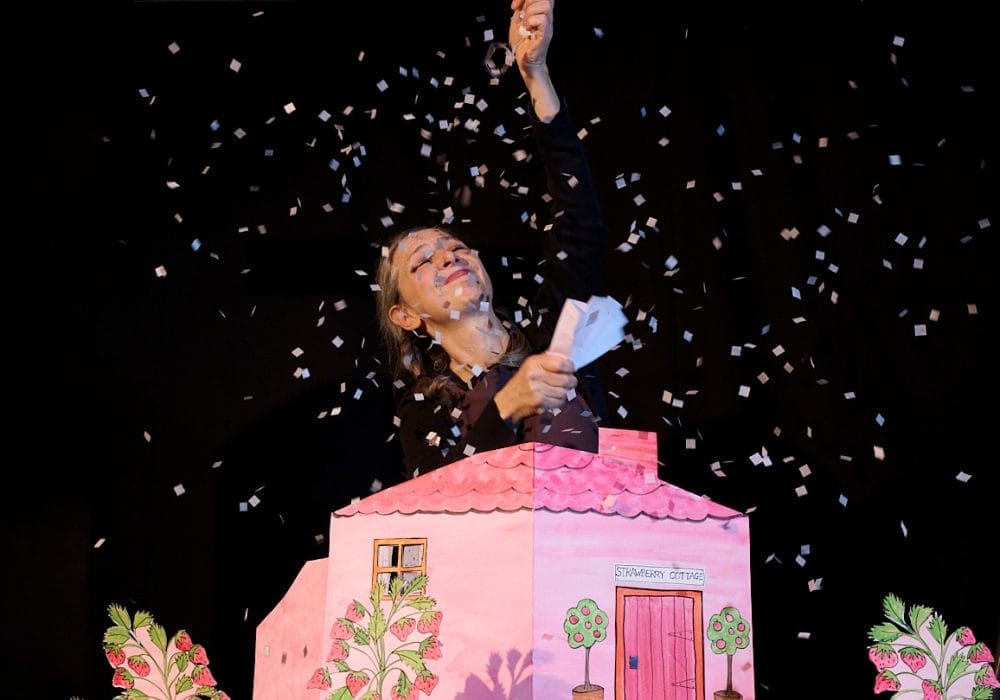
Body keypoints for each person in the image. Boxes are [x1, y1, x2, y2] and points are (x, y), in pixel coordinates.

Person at [375, 0, 610, 478]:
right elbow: (439, 498)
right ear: (405, 315)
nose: (448, 257)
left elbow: (580, 226)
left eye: (456, 247)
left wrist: (536, 73)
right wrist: (507, 404)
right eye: (423, 262)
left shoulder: (552, 338)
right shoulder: (422, 409)